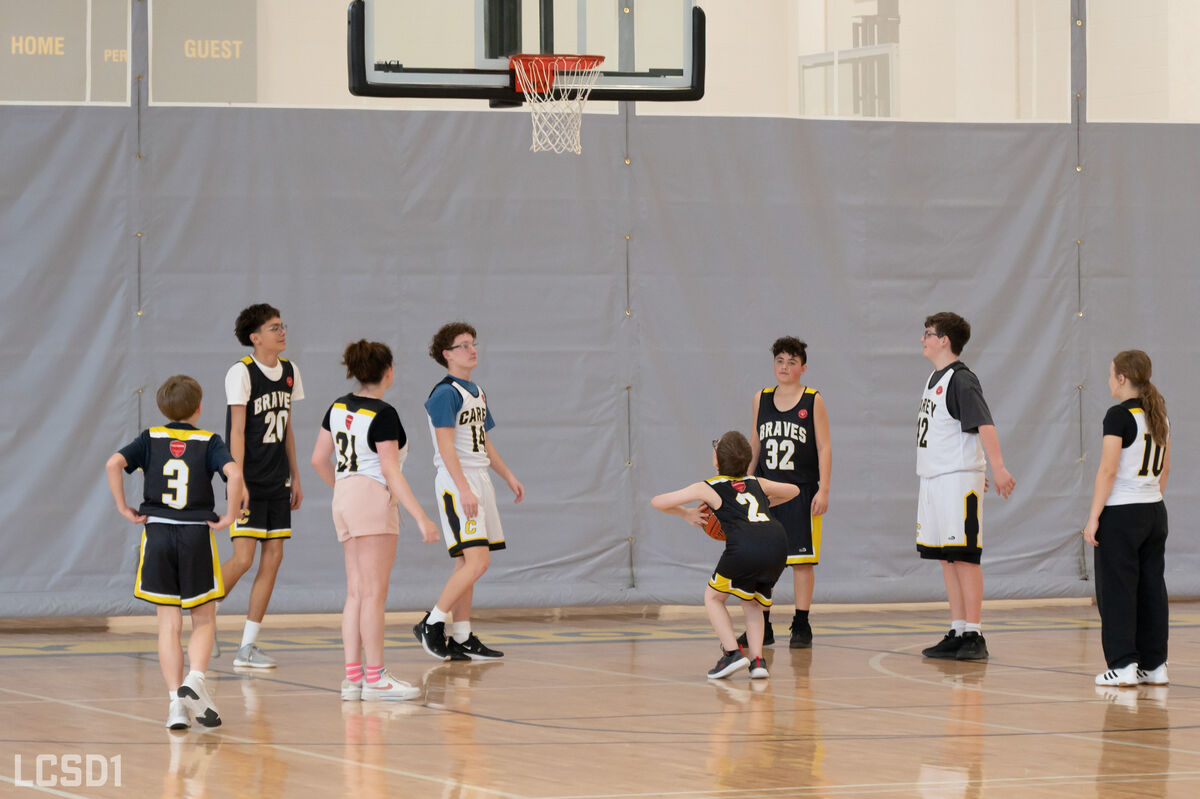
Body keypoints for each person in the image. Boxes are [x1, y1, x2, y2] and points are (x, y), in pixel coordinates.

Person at [104, 375, 244, 729]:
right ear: (199, 408)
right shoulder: (208, 440)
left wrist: (123, 507)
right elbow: (235, 473)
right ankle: (194, 680)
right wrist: (229, 515)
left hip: (159, 534)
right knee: (204, 618)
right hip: (196, 535)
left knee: (168, 625)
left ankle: (175, 707)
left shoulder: (150, 438)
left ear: (162, 408)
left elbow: (112, 464)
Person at [311, 340, 440, 701]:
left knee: (355, 593)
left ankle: (353, 679)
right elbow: (390, 470)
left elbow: (319, 460)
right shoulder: (383, 414)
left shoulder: (337, 407)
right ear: (388, 372)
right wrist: (421, 516)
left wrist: (346, 488)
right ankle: (376, 677)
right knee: (373, 595)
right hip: (371, 499)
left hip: (344, 498)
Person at [413, 322, 525, 661]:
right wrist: (463, 489)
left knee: (467, 564)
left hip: (479, 479)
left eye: (473, 343)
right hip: (457, 481)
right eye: (463, 345)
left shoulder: (476, 391)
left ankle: (461, 635)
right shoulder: (444, 393)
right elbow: (446, 448)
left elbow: (484, 442)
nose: (472, 349)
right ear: (447, 354)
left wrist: (507, 475)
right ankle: (431, 623)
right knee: (478, 561)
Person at [651, 431, 797, 679]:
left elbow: (658, 501)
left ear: (717, 461)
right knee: (753, 604)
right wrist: (765, 503)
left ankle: (732, 653)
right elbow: (793, 490)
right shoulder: (756, 482)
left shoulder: (707, 487)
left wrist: (685, 514)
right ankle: (758, 662)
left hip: (745, 546)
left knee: (713, 597)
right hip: (777, 543)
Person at [916, 312, 1015, 661]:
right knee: (947, 558)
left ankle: (975, 633)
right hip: (936, 477)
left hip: (956, 481)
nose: (924, 339)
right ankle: (958, 629)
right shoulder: (934, 378)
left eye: (928, 334)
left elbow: (984, 424)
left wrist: (997, 468)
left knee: (965, 558)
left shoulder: (962, 379)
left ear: (944, 340)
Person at [219, 303, 304, 669]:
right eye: (274, 327)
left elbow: (286, 426)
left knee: (274, 558)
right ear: (255, 337)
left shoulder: (289, 371)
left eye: (282, 325)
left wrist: (296, 475)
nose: (282, 331)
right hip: (249, 479)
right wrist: (236, 479)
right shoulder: (241, 372)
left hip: (277, 478)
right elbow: (236, 430)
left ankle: (247, 646)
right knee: (243, 558)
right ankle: (199, 614)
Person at [1083, 350, 1171, 687]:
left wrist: (1094, 519)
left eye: (1110, 375)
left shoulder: (1117, 416)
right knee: (1151, 589)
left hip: (1121, 513)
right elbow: (1163, 471)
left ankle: (1122, 665)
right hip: (1154, 510)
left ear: (1122, 378)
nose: (1108, 381)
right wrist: (1151, 498)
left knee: (1117, 590)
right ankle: (1155, 665)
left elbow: (1107, 470)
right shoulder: (1159, 414)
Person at [742, 336, 831, 649]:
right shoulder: (761, 398)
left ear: (803, 368)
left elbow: (824, 446)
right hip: (766, 491)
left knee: (801, 561)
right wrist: (745, 483)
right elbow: (754, 443)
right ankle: (763, 625)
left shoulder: (812, 399)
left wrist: (824, 489)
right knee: (764, 559)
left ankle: (802, 622)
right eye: (780, 360)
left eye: (792, 362)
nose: (784, 366)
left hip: (801, 490)